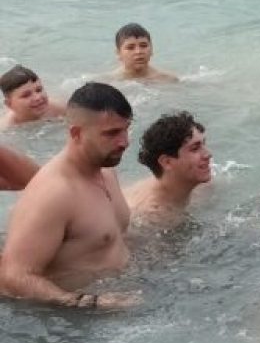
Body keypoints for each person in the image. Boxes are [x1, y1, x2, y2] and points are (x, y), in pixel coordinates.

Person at [0, 83, 138, 308]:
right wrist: (91, 303)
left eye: (126, 129)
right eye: (112, 133)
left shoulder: (106, 167)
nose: (124, 142)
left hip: (123, 296)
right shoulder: (54, 193)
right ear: (77, 133)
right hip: (74, 321)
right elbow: (14, 276)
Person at [126, 111, 213, 228]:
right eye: (195, 149)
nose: (208, 154)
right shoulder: (147, 219)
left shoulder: (202, 187)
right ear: (167, 162)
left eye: (203, 145)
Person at [0, 65, 66, 128]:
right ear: (9, 104)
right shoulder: (5, 128)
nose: (38, 97)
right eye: (26, 95)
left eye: (39, 90)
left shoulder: (59, 109)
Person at [110, 23, 178, 83]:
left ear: (151, 50)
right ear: (118, 53)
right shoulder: (108, 82)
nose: (138, 52)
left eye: (143, 46)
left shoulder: (169, 80)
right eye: (130, 47)